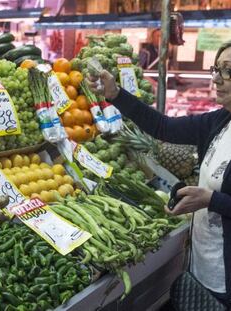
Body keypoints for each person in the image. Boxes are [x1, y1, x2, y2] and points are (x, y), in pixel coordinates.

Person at [87, 42, 231, 308]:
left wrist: (211, 199)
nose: (217, 79)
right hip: (204, 265)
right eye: (216, 69)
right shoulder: (219, 122)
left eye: (228, 70)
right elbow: (163, 127)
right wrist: (116, 94)